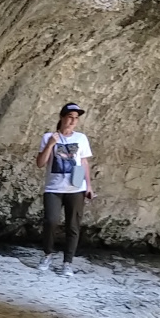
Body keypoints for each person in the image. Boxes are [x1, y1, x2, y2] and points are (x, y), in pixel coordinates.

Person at [36, 102, 94, 277]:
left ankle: (67, 263)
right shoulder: (48, 137)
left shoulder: (81, 138)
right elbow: (40, 163)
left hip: (76, 187)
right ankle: (47, 254)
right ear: (62, 117)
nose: (73, 121)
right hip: (54, 187)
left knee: (73, 226)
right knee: (50, 221)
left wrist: (89, 186)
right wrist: (51, 144)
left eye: (76, 118)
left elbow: (84, 162)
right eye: (70, 117)